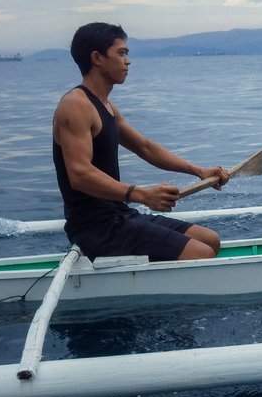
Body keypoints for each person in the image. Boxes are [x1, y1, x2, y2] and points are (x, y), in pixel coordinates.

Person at [52, 22, 229, 261]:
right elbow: (80, 174)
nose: (128, 61)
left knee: (210, 240)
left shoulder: (105, 104)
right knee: (201, 254)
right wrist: (141, 195)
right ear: (97, 58)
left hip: (120, 214)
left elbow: (145, 147)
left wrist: (198, 170)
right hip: (95, 228)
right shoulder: (75, 105)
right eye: (121, 53)